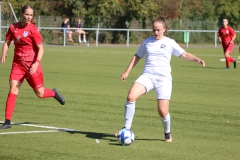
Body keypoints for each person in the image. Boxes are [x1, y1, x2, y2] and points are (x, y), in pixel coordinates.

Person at [114, 16, 205, 142]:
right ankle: (126, 128)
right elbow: (137, 56)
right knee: (131, 97)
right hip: (148, 76)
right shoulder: (147, 42)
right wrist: (127, 72)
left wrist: (197, 59)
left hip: (164, 79)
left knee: (162, 111)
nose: (155, 32)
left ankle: (167, 133)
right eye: (154, 30)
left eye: (158, 30)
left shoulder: (170, 42)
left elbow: (184, 54)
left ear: (164, 29)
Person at [0, 4, 65, 129]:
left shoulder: (33, 30)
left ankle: (53, 93)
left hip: (32, 66)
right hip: (18, 65)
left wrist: (36, 63)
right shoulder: (13, 27)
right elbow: (7, 42)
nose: (29, 17)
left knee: (40, 94)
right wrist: (3, 53)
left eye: (31, 15)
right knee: (13, 88)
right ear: (21, 14)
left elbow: (41, 49)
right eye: (27, 14)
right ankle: (7, 121)